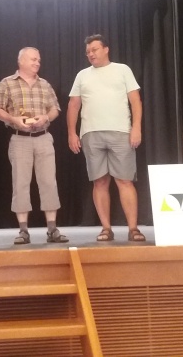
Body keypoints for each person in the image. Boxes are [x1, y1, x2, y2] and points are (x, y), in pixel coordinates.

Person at [67, 34, 146, 242]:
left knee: (124, 180)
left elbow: (135, 100)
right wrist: (72, 133)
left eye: (94, 49)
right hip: (91, 133)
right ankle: (106, 228)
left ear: (106, 49)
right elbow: (73, 105)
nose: (90, 54)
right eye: (88, 52)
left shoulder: (122, 70)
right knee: (99, 181)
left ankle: (133, 229)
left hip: (121, 132)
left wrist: (136, 127)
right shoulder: (82, 75)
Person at [0, 47, 68, 245]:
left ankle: (52, 229)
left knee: (49, 182)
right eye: (33, 59)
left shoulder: (44, 84)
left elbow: (55, 109)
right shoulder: (7, 83)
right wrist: (13, 119)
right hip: (20, 139)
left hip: (43, 137)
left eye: (39, 60)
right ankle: (23, 230)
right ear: (21, 61)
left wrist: (46, 117)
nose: (37, 63)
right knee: (20, 183)